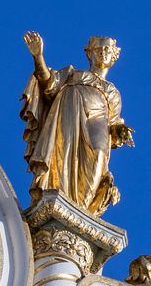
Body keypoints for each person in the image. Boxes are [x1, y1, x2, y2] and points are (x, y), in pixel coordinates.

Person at [20, 33, 133, 216]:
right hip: (68, 119)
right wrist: (38, 56)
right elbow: (48, 83)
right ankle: (60, 200)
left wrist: (120, 129)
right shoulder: (73, 74)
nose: (103, 53)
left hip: (98, 123)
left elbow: (114, 122)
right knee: (62, 157)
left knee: (98, 156)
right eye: (99, 49)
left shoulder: (113, 92)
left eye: (107, 50)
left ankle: (82, 210)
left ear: (114, 56)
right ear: (90, 54)